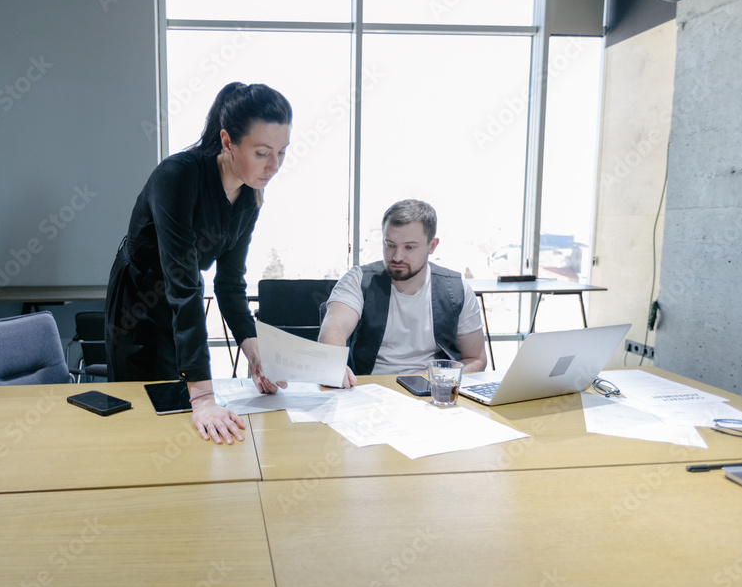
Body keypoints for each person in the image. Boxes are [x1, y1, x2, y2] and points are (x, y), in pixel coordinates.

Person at [106, 82, 292, 444]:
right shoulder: (177, 177)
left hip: (182, 302)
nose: (273, 166)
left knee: (188, 423)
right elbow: (184, 282)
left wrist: (253, 350)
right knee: (147, 420)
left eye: (283, 153)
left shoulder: (251, 194)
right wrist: (204, 397)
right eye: (262, 152)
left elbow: (229, 282)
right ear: (227, 141)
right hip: (139, 304)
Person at [319, 199, 487, 387]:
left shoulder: (458, 290)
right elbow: (334, 325)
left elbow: (476, 358)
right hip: (371, 391)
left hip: (431, 391)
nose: (397, 257)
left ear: (432, 246)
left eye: (409, 247)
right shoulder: (359, 280)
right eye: (390, 245)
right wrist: (333, 365)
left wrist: (439, 381)